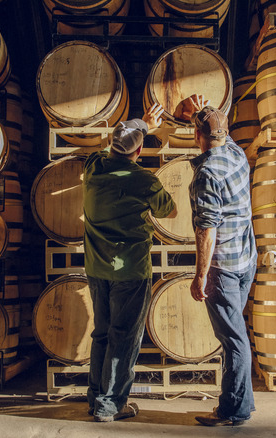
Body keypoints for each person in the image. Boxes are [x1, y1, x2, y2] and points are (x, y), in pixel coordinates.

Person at [83, 103, 177, 422]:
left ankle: (96, 397)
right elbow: (169, 211)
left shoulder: (94, 166)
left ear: (112, 144)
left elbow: (107, 148)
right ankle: (111, 405)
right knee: (123, 338)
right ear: (139, 151)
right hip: (131, 270)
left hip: (96, 268)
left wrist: (141, 125)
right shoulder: (144, 180)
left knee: (102, 333)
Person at [186, 98, 257, 427]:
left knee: (234, 340)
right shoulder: (236, 153)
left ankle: (235, 410)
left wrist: (200, 277)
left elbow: (206, 232)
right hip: (246, 260)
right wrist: (206, 109)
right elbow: (216, 130)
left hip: (223, 269)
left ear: (197, 135)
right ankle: (232, 403)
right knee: (234, 337)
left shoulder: (207, 174)